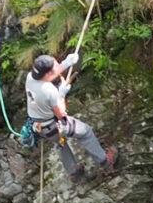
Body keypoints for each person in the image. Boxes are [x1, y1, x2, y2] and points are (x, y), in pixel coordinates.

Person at [24, 50, 118, 180]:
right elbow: (61, 114)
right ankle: (105, 161)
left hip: (40, 127)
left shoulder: (30, 77)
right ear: (49, 72)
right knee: (85, 132)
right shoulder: (49, 91)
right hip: (54, 125)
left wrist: (66, 63)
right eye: (56, 65)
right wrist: (61, 95)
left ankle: (74, 172)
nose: (58, 66)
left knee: (60, 143)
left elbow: (48, 76)